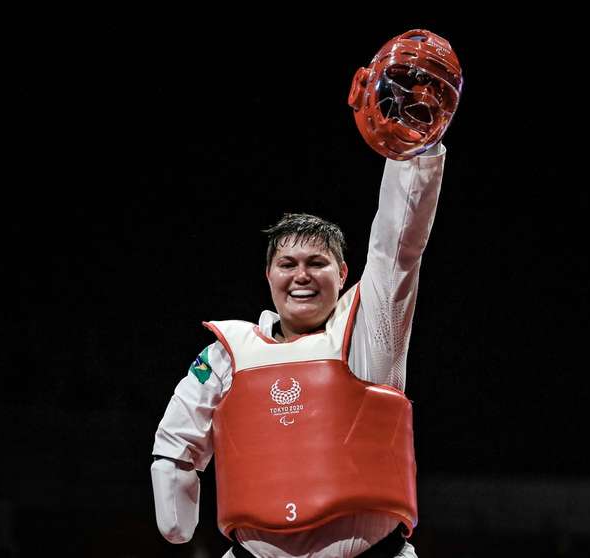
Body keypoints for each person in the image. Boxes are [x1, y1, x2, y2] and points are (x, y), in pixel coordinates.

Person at [151, 29, 462, 558]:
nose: (301, 275)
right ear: (268, 276)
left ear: (342, 274)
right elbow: (178, 442)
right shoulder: (226, 352)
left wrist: (415, 146)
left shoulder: (368, 330)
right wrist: (174, 491)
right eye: (287, 264)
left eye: (317, 263)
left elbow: (397, 247)